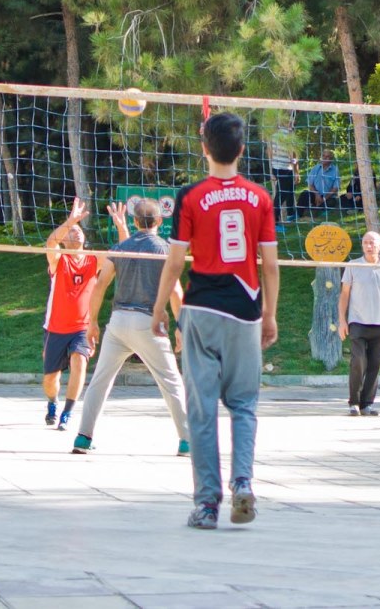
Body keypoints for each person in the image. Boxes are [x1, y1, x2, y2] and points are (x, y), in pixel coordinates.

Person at [152, 112, 279, 530]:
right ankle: (242, 482)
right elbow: (270, 265)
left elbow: (175, 263)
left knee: (202, 409)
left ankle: (207, 505)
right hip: (245, 310)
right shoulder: (260, 197)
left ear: (204, 148)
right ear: (241, 149)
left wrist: (159, 310)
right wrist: (270, 314)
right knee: (244, 404)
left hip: (202, 308)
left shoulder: (189, 196)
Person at [73, 199, 190, 457]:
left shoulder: (120, 248)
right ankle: (187, 441)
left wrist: (92, 323)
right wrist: (181, 326)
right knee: (171, 382)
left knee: (100, 381)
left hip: (118, 322)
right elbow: (175, 292)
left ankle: (83, 436)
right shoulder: (166, 250)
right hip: (148, 322)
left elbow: (99, 286)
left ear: (135, 222)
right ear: (160, 221)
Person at [41, 197, 104, 431]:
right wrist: (71, 220)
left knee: (79, 361)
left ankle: (67, 413)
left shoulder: (94, 260)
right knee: (50, 378)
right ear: (65, 239)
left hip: (82, 327)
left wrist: (121, 226)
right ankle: (52, 401)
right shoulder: (59, 260)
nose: (76, 232)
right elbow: (50, 242)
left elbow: (120, 253)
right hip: (56, 327)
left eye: (79, 230)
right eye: (71, 231)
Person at [337, 231, 380, 416]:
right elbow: (344, 294)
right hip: (357, 322)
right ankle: (354, 402)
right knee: (358, 361)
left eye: (372, 242)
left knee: (374, 365)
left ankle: (367, 404)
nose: (369, 246)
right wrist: (342, 320)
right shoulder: (353, 265)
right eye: (365, 242)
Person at [267, 119, 299, 232]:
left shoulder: (274, 135)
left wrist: (271, 170)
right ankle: (273, 221)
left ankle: (291, 214)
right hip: (284, 168)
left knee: (290, 190)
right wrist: (296, 170)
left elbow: (269, 153)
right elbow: (292, 155)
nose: (293, 122)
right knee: (282, 194)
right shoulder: (289, 135)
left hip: (278, 167)